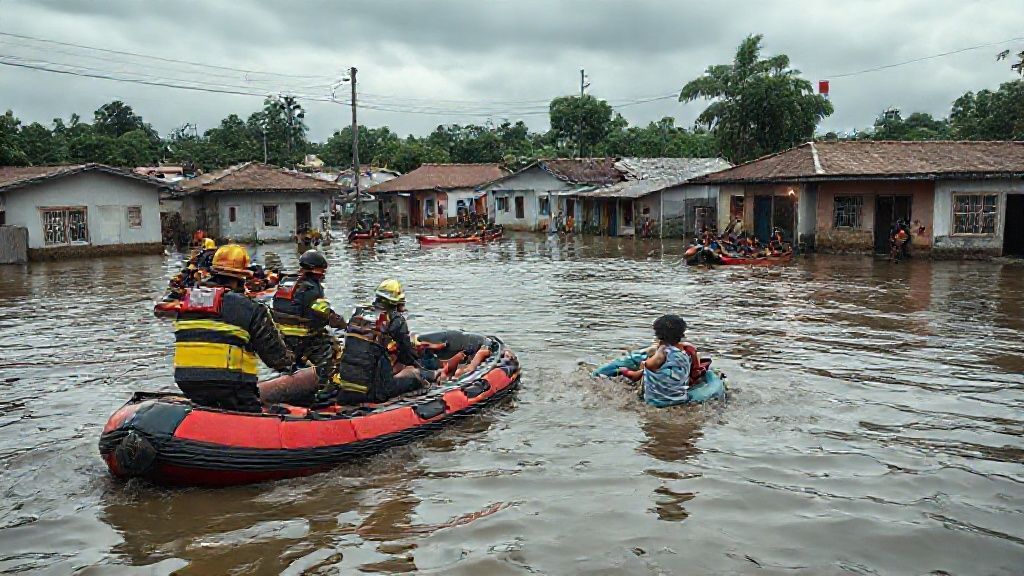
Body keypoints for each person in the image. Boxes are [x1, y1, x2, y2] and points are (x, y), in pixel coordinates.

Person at [173, 244, 294, 412]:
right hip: (232, 386)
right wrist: (292, 362)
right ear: (241, 278)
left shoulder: (189, 301)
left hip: (188, 383)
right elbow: (276, 358)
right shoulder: (250, 308)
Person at [330, 279, 441, 404]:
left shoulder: (358, 311)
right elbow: (407, 355)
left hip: (345, 386)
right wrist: (424, 371)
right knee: (415, 377)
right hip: (373, 391)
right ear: (397, 303)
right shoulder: (396, 320)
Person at [272, 250, 344, 389]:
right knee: (331, 356)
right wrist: (342, 323)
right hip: (305, 340)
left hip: (283, 340)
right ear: (315, 269)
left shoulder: (286, 282)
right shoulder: (313, 287)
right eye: (322, 270)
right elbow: (323, 313)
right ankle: (325, 388)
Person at [618, 314, 704, 408]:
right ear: (682, 334)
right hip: (680, 400)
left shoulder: (662, 353)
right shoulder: (687, 351)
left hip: (656, 403)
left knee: (646, 367)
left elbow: (648, 365)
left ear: (658, 335)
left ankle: (634, 375)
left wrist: (639, 366)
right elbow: (695, 372)